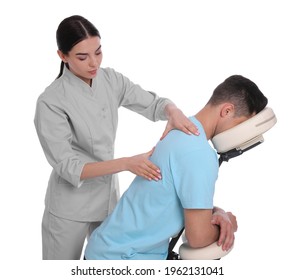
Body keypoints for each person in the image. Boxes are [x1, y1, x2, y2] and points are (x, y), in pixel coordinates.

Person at [34, 15, 199, 260]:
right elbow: (68, 166)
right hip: (69, 207)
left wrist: (171, 111)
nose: (94, 63)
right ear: (62, 56)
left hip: (107, 202)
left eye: (98, 52)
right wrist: (126, 163)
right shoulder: (51, 101)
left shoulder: (110, 80)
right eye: (82, 56)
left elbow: (153, 104)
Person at [84, 75, 268, 260]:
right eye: (241, 124)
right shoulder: (199, 154)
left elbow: (172, 196)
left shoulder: (182, 131)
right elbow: (199, 237)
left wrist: (218, 212)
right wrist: (229, 225)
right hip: (122, 259)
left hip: (103, 249)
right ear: (227, 111)